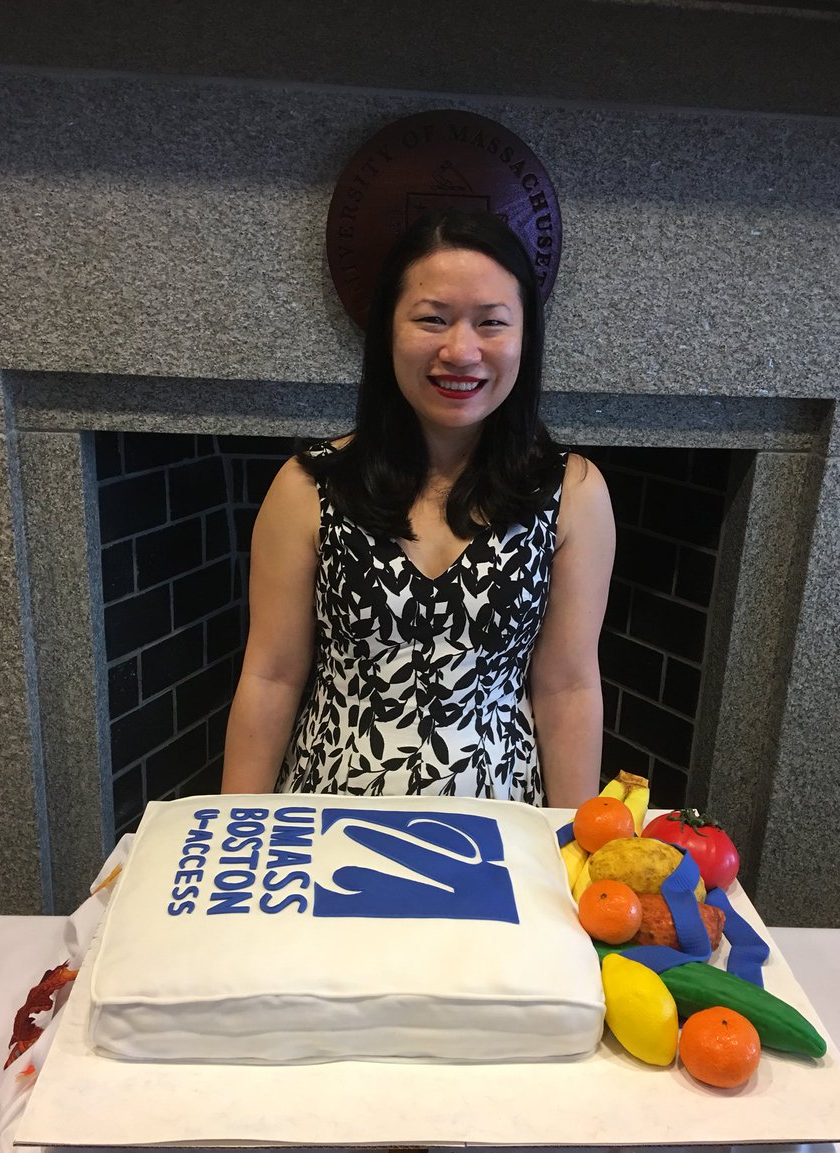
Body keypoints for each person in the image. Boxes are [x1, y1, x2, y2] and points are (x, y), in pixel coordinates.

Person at [221, 207, 615, 807]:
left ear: (524, 338)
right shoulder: (306, 487)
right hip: (327, 816)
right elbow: (271, 677)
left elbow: (567, 687)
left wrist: (571, 845)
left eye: (491, 323)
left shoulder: (573, 493)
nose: (461, 351)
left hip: (502, 826)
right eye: (432, 319)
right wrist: (236, 830)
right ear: (387, 331)